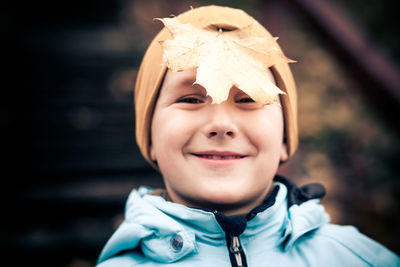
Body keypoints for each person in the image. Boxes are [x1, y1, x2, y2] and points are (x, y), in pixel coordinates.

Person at [96, 5, 399, 266]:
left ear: (284, 139)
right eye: (190, 100)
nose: (221, 124)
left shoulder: (358, 258)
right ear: (149, 137)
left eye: (248, 99)